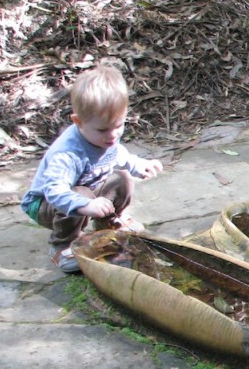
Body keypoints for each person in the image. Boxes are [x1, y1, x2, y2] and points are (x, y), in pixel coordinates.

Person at [21, 65, 162, 272]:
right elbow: (55, 192)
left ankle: (111, 220)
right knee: (79, 193)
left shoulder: (104, 137)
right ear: (78, 122)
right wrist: (86, 205)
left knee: (121, 177)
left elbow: (116, 154)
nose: (113, 135)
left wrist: (138, 165)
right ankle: (63, 244)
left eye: (119, 125)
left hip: (87, 191)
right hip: (46, 203)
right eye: (103, 129)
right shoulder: (67, 154)